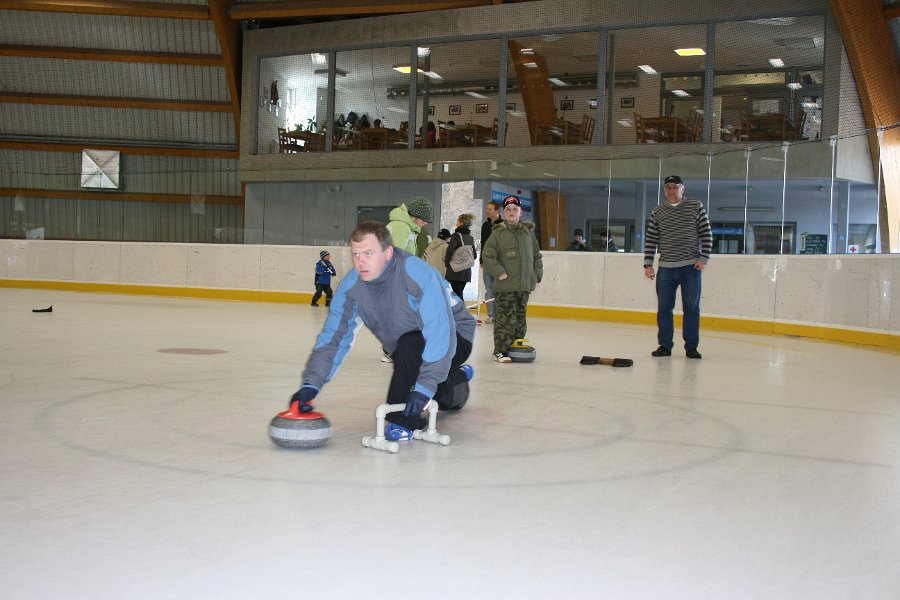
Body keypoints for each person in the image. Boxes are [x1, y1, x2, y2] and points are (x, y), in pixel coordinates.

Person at [289, 221, 476, 441]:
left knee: (411, 353)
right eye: (356, 254)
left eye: (368, 253)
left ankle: (402, 420)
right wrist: (312, 383)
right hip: (409, 346)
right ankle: (456, 380)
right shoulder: (353, 286)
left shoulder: (415, 273)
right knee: (414, 365)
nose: (360, 261)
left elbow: (439, 330)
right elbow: (334, 338)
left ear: (388, 253)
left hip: (455, 334)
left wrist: (425, 387)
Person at [643, 175, 712, 359]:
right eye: (668, 187)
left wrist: (704, 258)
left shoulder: (695, 206)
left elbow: (706, 233)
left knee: (691, 308)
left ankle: (691, 347)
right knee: (664, 308)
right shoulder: (658, 211)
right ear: (664, 190)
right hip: (666, 268)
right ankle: (664, 345)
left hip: (691, 267)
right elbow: (651, 239)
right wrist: (648, 264)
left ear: (683, 189)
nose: (671, 190)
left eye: (675, 187)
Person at [481, 195, 543, 363]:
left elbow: (537, 257)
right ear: (503, 212)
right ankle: (499, 351)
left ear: (520, 212)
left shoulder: (528, 234)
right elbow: (488, 255)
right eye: (508, 209)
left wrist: (536, 275)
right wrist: (499, 272)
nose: (511, 212)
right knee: (505, 320)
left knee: (520, 320)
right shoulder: (498, 234)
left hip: (524, 286)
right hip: (506, 286)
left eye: (515, 209)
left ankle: (515, 348)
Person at [383, 196, 434, 362]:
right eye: (424, 220)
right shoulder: (400, 227)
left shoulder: (407, 227)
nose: (424, 224)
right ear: (415, 216)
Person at [444, 213, 477, 301]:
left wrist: (447, 263)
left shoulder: (456, 236)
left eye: (457, 220)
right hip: (466, 272)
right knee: (459, 293)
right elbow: (474, 255)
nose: (456, 222)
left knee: (457, 296)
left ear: (461, 222)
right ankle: (460, 309)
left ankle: (461, 309)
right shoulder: (470, 238)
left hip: (455, 272)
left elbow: (449, 251)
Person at [480, 200, 502, 324]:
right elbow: (483, 242)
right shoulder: (485, 225)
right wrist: (481, 259)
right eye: (487, 209)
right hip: (487, 262)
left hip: (499, 263)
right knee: (489, 289)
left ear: (496, 211)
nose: (487, 211)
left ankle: (500, 315)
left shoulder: (503, 225)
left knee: (499, 289)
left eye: (490, 209)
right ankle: (491, 315)